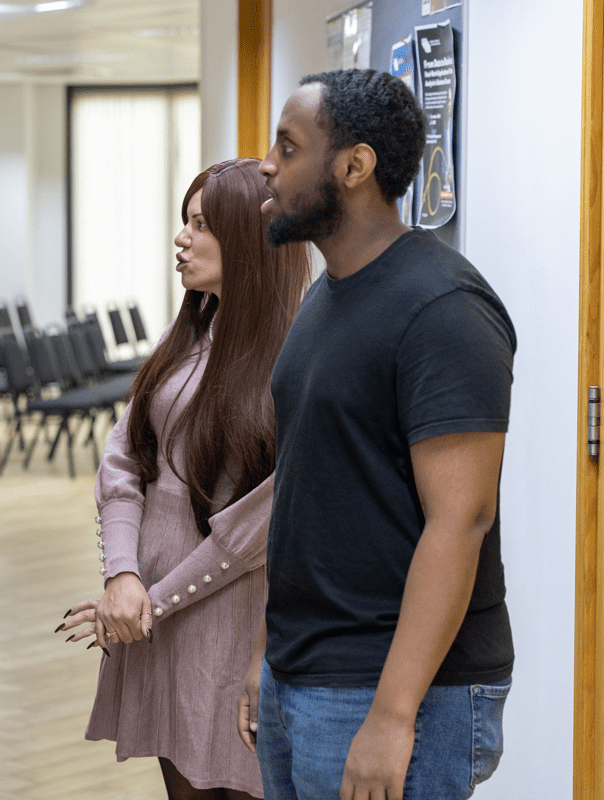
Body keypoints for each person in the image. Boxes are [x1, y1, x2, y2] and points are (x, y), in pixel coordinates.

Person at [240, 69, 515, 800]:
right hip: (302, 669)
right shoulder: (323, 295)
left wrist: (394, 716)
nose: (266, 163)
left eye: (288, 146)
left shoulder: (443, 307)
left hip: (393, 688)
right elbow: (310, 487)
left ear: (354, 167)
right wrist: (268, 653)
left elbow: (461, 521)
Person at [59, 158, 311, 799]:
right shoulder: (189, 330)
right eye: (184, 222)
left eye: (201, 225)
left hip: (230, 620)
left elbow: (255, 529)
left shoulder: (293, 357)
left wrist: (152, 601)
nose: (182, 238)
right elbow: (124, 460)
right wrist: (122, 575)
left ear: (250, 242)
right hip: (151, 614)